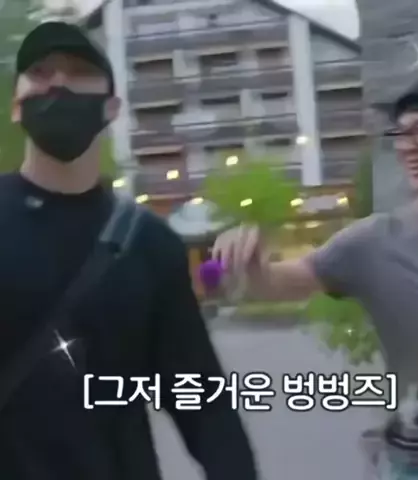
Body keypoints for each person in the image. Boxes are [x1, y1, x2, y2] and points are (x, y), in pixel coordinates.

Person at [0, 21, 257, 480]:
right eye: (40, 71)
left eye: (79, 71)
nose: (57, 82)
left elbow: (202, 403)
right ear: (17, 106)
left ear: (111, 107)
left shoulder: (149, 245)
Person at [213, 73, 418, 479]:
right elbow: (285, 281)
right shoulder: (377, 240)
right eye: (400, 133)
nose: (407, 144)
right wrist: (250, 264)